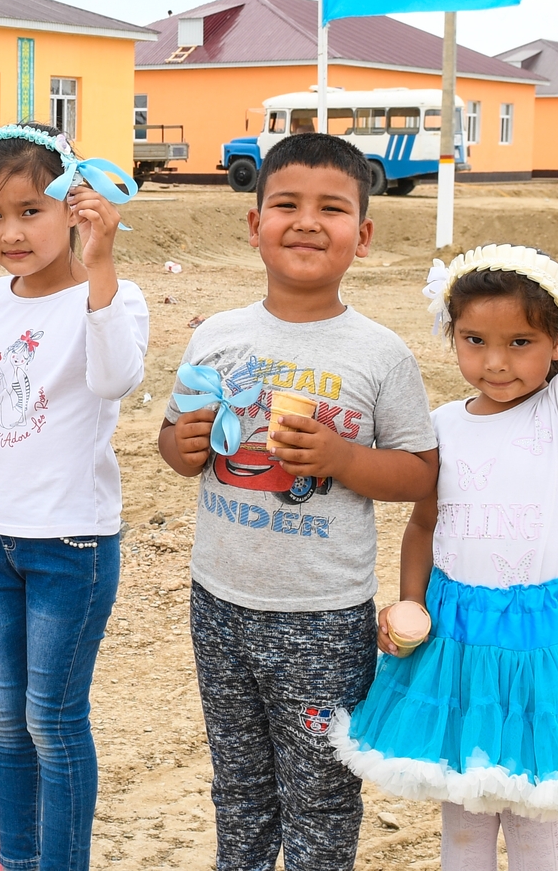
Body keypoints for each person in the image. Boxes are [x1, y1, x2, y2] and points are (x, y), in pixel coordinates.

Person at [333, 193, 558, 868]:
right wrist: (410, 602)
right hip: (453, 635)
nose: (496, 362)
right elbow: (423, 523)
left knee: (531, 810)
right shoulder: (443, 424)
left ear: (554, 345)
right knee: (465, 813)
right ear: (452, 337)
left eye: (520, 343)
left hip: (537, 637)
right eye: (475, 341)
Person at [157, 134, 439, 871]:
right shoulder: (216, 337)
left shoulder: (380, 355)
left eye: (332, 209)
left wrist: (342, 459)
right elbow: (173, 443)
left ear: (363, 236)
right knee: (239, 786)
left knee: (322, 794)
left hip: (324, 618)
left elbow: (420, 475)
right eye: (286, 204)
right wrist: (183, 445)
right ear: (255, 225)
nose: (307, 221)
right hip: (218, 604)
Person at [0, 123, 149, 871]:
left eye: (30, 210)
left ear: (72, 205)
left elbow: (115, 380)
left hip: (71, 543)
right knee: (5, 723)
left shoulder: (112, 296)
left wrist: (102, 261)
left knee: (52, 722)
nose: (11, 232)